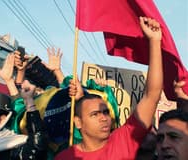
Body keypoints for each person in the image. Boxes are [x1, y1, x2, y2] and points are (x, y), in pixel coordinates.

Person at [55, 16, 163, 160]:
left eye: (105, 112)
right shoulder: (64, 157)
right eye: (95, 114)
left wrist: (155, 41)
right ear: (78, 122)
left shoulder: (123, 141)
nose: (104, 118)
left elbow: (152, 95)